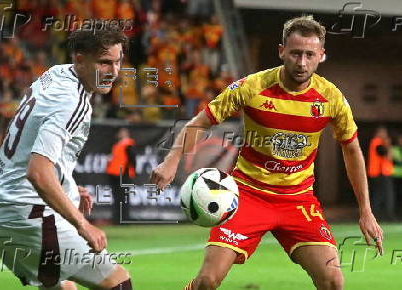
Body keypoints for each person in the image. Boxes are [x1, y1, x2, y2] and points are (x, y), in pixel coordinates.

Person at [150, 16, 383, 290]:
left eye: (310, 54)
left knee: (333, 280)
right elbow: (199, 123)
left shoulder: (331, 98)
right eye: (295, 53)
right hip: (247, 196)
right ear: (282, 50)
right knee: (207, 281)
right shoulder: (252, 87)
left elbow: (352, 150)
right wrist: (171, 160)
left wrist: (365, 210)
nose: (302, 62)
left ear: (322, 55)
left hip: (298, 199)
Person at [0, 28, 133, 290]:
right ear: (80, 59)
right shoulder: (71, 101)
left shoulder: (54, 74)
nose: (114, 71)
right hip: (26, 213)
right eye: (104, 62)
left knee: (62, 286)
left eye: (118, 61)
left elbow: (29, 146)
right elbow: (38, 172)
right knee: (117, 281)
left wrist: (67, 186)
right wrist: (82, 224)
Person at [105, 127, 136, 224]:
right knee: (118, 198)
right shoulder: (117, 145)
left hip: (123, 175)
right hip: (114, 175)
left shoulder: (128, 145)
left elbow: (132, 161)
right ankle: (118, 219)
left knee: (123, 198)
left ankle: (124, 218)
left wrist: (129, 173)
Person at [367, 126, 395, 220]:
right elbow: (385, 154)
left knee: (380, 195)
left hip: (380, 173)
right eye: (382, 133)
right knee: (384, 195)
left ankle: (380, 216)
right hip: (379, 173)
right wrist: (388, 145)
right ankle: (386, 216)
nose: (384, 135)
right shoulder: (377, 142)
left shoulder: (378, 142)